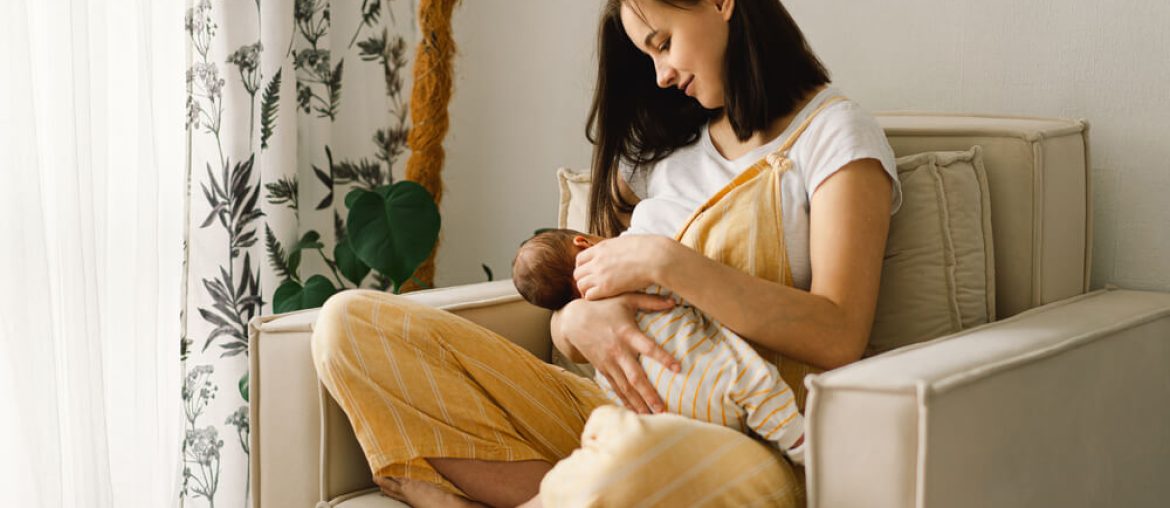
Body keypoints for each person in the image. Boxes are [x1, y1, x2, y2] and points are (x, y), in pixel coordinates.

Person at [311, 0, 902, 506]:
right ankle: (574, 487)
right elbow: (580, 277)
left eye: (663, 43)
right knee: (347, 324)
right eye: (649, 57)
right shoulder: (666, 151)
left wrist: (668, 263)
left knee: (629, 455)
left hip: (745, 438)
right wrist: (575, 320)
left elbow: (839, 332)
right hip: (603, 403)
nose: (662, 74)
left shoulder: (834, 135)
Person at [511, 228, 807, 464]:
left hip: (662, 415)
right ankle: (798, 441)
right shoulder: (627, 272)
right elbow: (687, 290)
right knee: (750, 381)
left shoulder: (595, 338)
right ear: (583, 243)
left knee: (614, 387)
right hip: (708, 380)